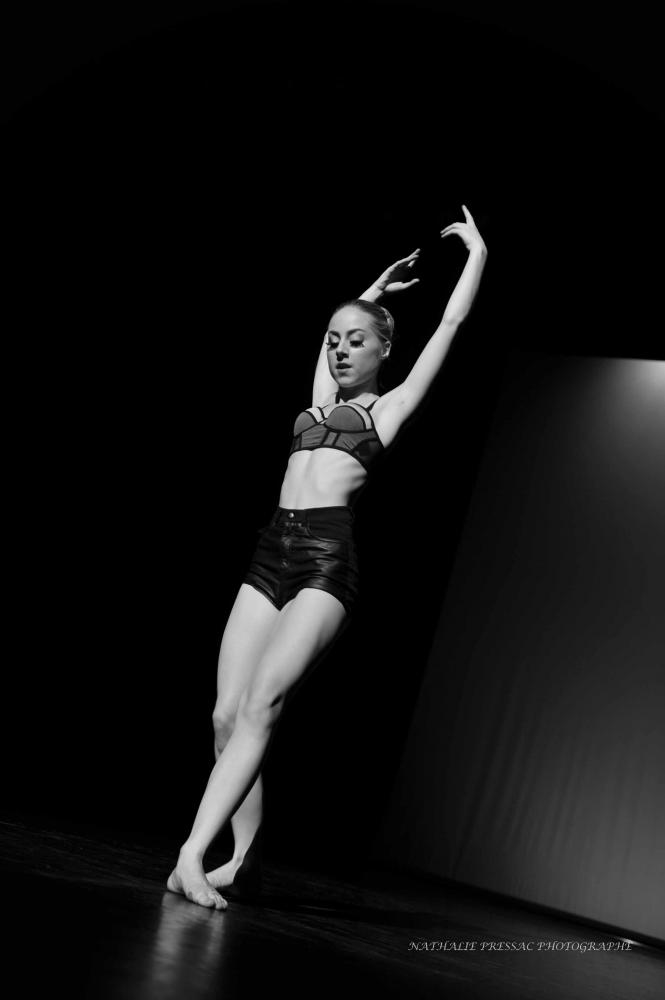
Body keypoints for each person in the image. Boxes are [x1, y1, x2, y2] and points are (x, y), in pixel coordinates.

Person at [167, 205, 488, 908]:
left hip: (324, 562)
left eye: (356, 341)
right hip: (269, 551)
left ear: (383, 350)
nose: (341, 350)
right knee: (225, 716)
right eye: (333, 340)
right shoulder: (318, 401)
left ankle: (191, 854)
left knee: (262, 704)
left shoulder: (387, 410)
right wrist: (371, 290)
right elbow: (337, 328)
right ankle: (243, 859)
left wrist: (476, 256)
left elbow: (450, 325)